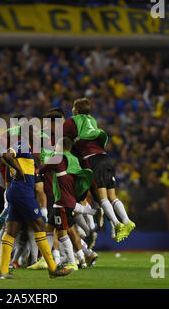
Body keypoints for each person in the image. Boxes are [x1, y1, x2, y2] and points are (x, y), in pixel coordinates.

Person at [0, 125, 73, 279]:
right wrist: (19, 170)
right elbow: (5, 155)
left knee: (11, 230)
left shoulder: (28, 148)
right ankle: (53, 268)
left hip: (17, 190)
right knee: (39, 225)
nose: (39, 136)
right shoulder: (23, 144)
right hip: (22, 191)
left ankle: (4, 271)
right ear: (29, 134)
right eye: (36, 133)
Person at [63, 97, 135, 242]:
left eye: (73, 108)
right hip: (105, 157)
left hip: (92, 159)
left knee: (102, 198)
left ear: (76, 110)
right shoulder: (92, 120)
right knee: (112, 196)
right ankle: (127, 221)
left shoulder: (72, 121)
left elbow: (60, 137)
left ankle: (116, 224)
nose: (71, 110)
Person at [38, 136, 99, 270]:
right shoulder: (74, 159)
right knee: (51, 229)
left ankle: (72, 261)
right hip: (69, 198)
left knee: (63, 233)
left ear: (59, 147)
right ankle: (47, 259)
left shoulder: (57, 158)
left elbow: (41, 170)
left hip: (61, 202)